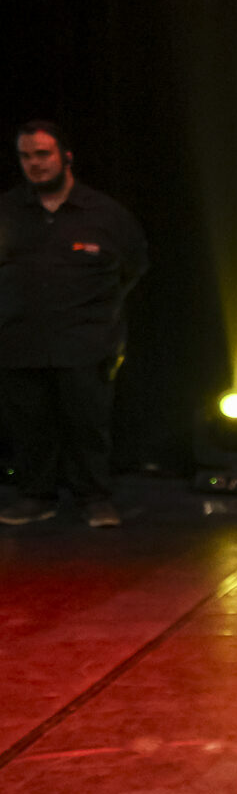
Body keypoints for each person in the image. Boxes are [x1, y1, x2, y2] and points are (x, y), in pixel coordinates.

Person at [0, 121, 148, 528]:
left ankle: (95, 498)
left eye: (42, 154)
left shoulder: (105, 214)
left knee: (88, 424)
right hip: (19, 339)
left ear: (66, 156)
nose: (34, 163)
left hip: (85, 339)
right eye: (25, 156)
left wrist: (98, 312)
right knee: (29, 425)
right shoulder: (7, 210)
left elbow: (135, 265)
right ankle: (35, 496)